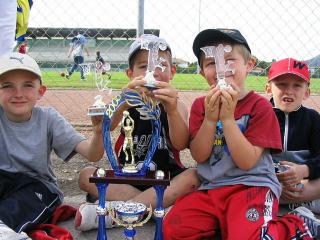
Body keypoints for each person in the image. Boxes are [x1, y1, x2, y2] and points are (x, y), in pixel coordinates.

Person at [163, 28, 315, 239]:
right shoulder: (201, 105)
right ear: (201, 72)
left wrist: (226, 119)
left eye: (229, 60)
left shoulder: (259, 107)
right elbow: (199, 156)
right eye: (211, 63)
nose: (221, 69)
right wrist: (209, 118)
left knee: (246, 236)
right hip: (212, 187)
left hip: (252, 186)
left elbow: (247, 162)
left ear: (249, 65)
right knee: (172, 227)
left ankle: (295, 224)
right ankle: (230, 225)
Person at [75, 34, 200, 231]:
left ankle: (118, 213)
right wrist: (125, 99)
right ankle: (153, 207)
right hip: (126, 176)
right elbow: (109, 126)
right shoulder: (125, 103)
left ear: (172, 71)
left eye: (160, 65)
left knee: (193, 176)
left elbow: (180, 143)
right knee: (86, 175)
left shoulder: (176, 105)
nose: (153, 72)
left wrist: (172, 110)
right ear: (130, 74)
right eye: (143, 66)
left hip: (165, 177)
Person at [0, 52, 104, 239]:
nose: (18, 93)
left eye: (28, 85)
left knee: (19, 205)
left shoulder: (48, 119)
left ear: (41, 91)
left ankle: (6, 230)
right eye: (7, 86)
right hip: (4, 180)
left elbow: (92, 154)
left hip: (38, 185)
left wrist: (98, 132)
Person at [266, 58, 320, 227]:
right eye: (282, 84)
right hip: (270, 181)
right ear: (268, 89)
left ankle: (288, 205)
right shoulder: (261, 116)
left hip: (305, 183)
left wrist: (304, 170)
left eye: (297, 85)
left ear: (306, 92)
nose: (289, 91)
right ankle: (293, 207)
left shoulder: (313, 119)